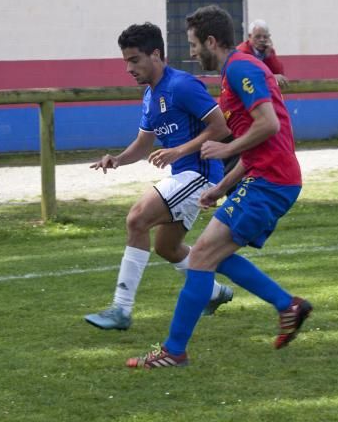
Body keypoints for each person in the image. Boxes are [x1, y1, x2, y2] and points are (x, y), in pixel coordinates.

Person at [127, 5, 311, 369]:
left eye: (194, 44)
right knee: (214, 255)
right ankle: (287, 305)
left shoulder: (241, 67)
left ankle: (173, 351)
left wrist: (225, 148)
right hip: (264, 177)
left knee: (200, 257)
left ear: (212, 41)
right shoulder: (234, 74)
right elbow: (256, 141)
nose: (192, 53)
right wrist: (223, 185)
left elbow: (269, 125)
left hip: (270, 182)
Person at [85, 22, 235, 330]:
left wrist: (179, 151)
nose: (128, 68)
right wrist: (116, 159)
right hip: (183, 174)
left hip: (200, 173)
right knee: (167, 248)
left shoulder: (182, 85)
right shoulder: (150, 97)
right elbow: (143, 145)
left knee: (136, 219)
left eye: (134, 60)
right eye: (125, 61)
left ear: (156, 55)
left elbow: (221, 128)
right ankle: (214, 292)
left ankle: (121, 310)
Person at [237, 19, 288, 89]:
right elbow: (249, 75)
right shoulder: (242, 52)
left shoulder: (269, 50)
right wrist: (271, 77)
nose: (262, 40)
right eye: (258, 37)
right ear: (249, 37)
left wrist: (269, 57)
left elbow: (280, 75)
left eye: (265, 37)